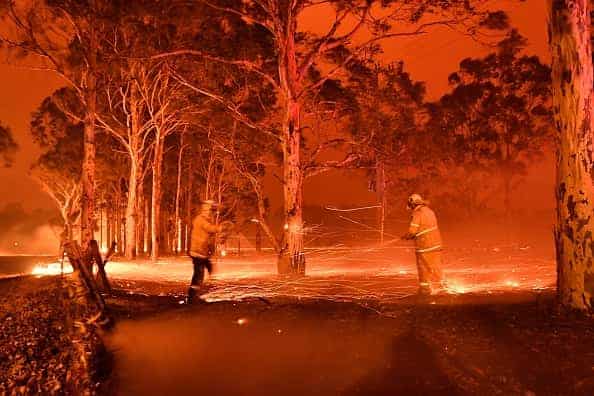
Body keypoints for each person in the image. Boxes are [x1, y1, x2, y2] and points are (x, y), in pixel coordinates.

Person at [187, 200, 231, 304]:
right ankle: (192, 296)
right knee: (198, 275)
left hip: (201, 252)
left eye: (210, 211)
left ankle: (202, 289)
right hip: (197, 252)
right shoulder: (200, 220)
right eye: (208, 210)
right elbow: (209, 228)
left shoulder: (204, 219)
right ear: (204, 210)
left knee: (208, 268)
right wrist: (220, 228)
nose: (210, 213)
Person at [401, 193, 444, 295]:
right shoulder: (430, 211)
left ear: (412, 204)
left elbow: (412, 231)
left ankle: (424, 290)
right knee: (436, 267)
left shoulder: (417, 214)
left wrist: (406, 236)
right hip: (437, 244)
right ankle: (441, 288)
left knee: (423, 268)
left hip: (424, 246)